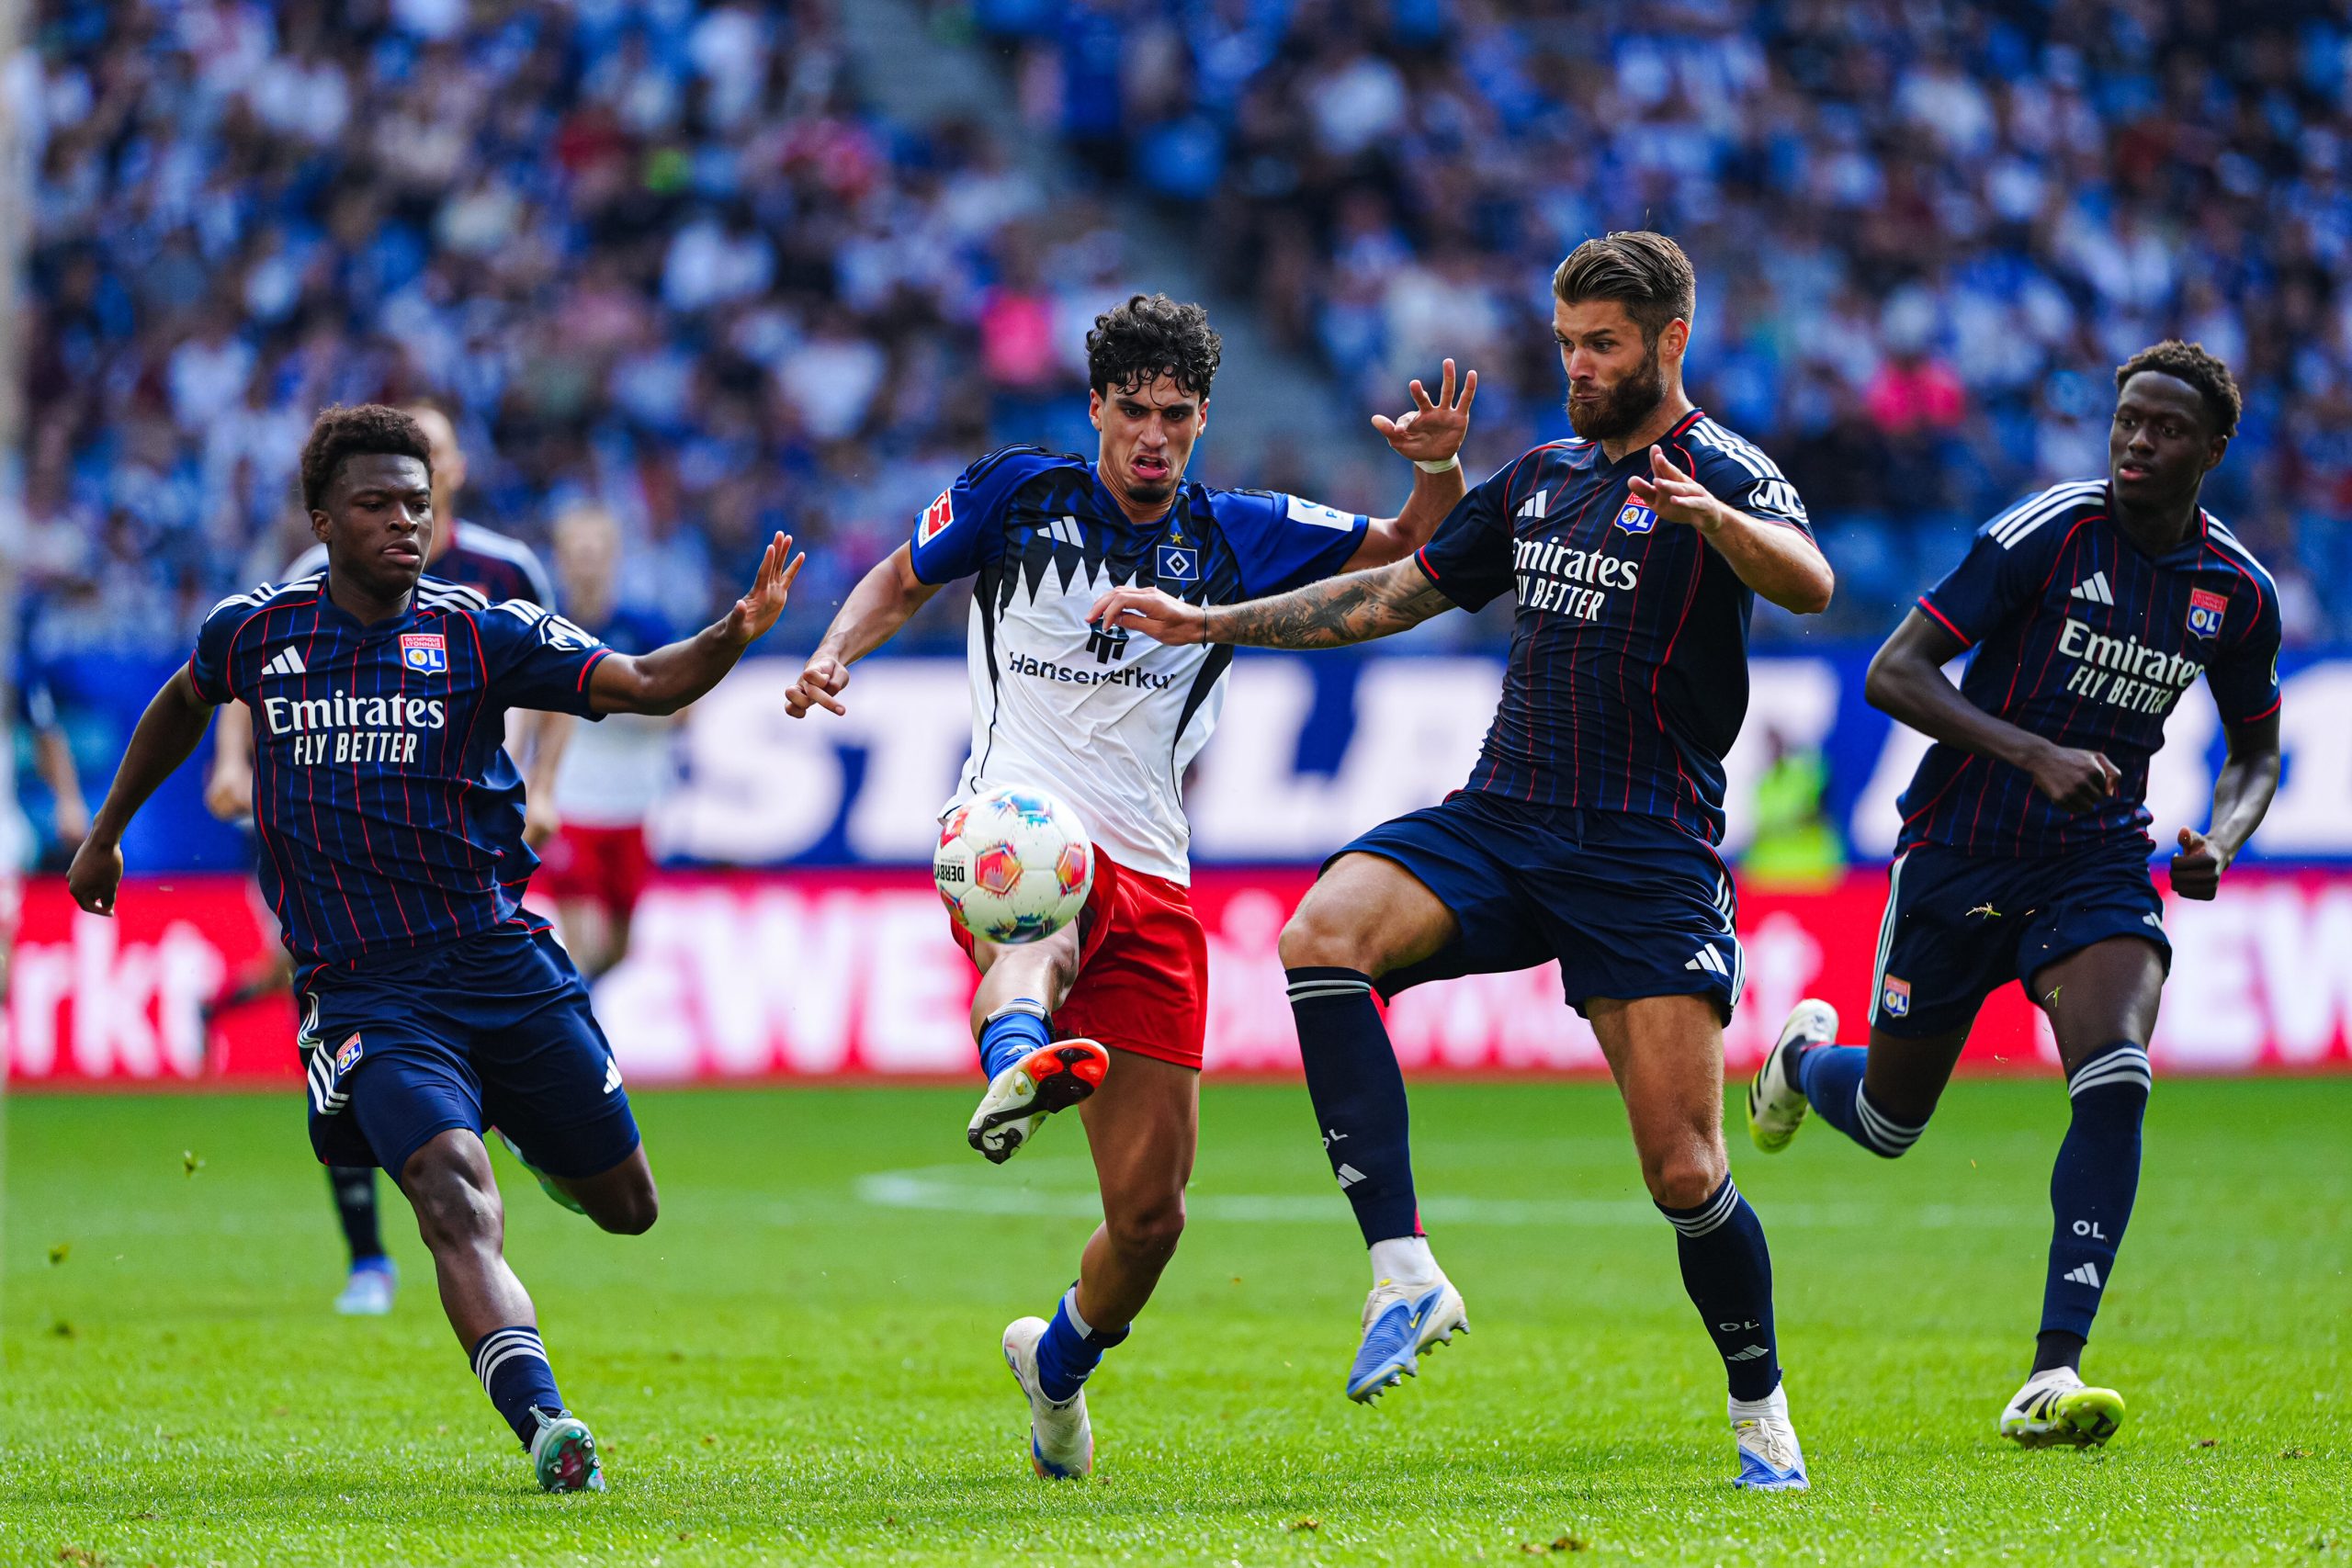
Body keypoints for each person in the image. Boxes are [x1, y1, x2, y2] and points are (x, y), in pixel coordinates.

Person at [1091, 232, 1836, 1490]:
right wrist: (1209, 621)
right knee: (1322, 934)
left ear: (1670, 343)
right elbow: (1390, 596)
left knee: (1685, 1170)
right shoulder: (1540, 479)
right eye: (1566, 343)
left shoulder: (1727, 471)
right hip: (1503, 815)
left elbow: (1810, 583)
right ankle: (1404, 1270)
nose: (1578, 366)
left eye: (1603, 345)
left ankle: (1760, 1409)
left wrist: (1718, 523)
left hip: (1643, 847)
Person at [784, 293, 1477, 1480]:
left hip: (1154, 868)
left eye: (1176, 415)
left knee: (1152, 1218)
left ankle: (1057, 1363)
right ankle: (1018, 1052)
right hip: (1012, 818)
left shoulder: (1240, 530)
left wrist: (1439, 466)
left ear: (1202, 416)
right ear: (1096, 407)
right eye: (1134, 411)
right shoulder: (1017, 494)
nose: (1154, 436)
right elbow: (900, 576)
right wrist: (833, 651)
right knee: (1036, 908)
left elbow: (1416, 548)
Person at [69, 404, 804, 1493]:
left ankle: (538, 1138)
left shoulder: (481, 631)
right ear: (323, 521)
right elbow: (183, 701)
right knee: (452, 1193)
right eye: (375, 504)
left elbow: (644, 682)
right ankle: (547, 1425)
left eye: (416, 504)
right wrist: (104, 836)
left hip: (500, 960)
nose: (404, 522)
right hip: (366, 987)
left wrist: (733, 633)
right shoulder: (256, 632)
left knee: (628, 1208)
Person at [1745, 341, 2280, 1450]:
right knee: (1889, 1122)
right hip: (1959, 854)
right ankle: (1801, 1063)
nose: (2137, 441)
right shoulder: (2050, 533)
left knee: (2116, 1075)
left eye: (2166, 429)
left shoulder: (2235, 591)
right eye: (2127, 420)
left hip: (2094, 860)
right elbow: (1893, 671)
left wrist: (2222, 841)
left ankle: (2051, 1369)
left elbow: (2255, 753)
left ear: (2214, 450)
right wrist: (2030, 752)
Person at [202, 400, 568, 1317]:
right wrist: (231, 765)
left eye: (429, 463)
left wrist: (542, 784)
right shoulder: (313, 573)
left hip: (462, 836)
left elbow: (557, 676)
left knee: (463, 999)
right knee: (340, 1013)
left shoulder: (506, 572)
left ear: (451, 473)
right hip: (332, 838)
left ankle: (506, 1109)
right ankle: (368, 1254)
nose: (407, 496)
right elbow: (246, 666)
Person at [537, 505, 679, 980]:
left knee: (618, 950)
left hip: (632, 806)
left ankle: (571, 1006)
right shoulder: (544, 626)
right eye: (578, 554)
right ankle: (573, 1024)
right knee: (584, 942)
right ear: (560, 560)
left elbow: (683, 709)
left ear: (614, 557)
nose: (587, 566)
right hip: (571, 805)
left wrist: (605, 701)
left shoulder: (646, 629)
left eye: (596, 553)